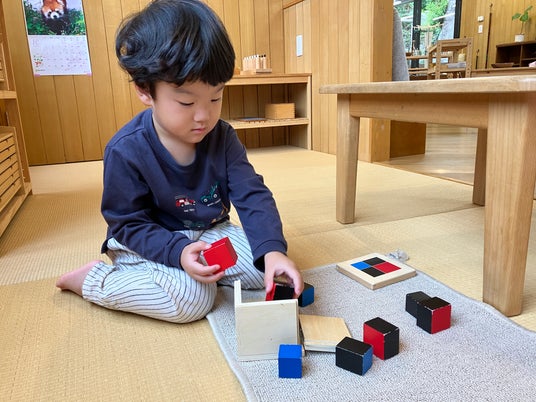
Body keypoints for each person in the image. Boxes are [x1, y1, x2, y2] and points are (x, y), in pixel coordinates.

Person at [56, 0, 303, 323]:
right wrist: (177, 252)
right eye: (186, 102)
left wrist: (272, 251)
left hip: (207, 232)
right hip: (147, 241)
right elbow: (128, 224)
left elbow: (252, 193)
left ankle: (194, 273)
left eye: (215, 97)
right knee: (193, 300)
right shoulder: (126, 150)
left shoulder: (223, 137)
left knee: (264, 267)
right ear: (145, 90)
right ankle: (94, 279)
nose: (204, 116)